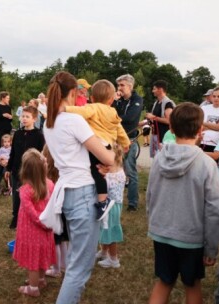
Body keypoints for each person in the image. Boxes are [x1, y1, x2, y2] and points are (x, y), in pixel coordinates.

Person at [42, 71, 114, 304]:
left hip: (68, 192)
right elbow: (107, 157)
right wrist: (108, 153)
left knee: (76, 260)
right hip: (82, 192)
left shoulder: (49, 122)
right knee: (79, 269)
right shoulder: (73, 120)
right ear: (73, 93)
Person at [146, 102, 219, 304]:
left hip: (162, 233)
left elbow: (150, 195)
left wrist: (153, 223)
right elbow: (215, 210)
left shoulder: (160, 158)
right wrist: (211, 247)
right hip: (191, 238)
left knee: (164, 282)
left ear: (170, 127)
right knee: (192, 284)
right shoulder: (207, 164)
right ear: (200, 130)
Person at [65, 79, 130, 221]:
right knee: (100, 172)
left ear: (92, 98)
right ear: (112, 99)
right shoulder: (113, 112)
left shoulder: (93, 107)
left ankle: (102, 202)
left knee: (94, 171)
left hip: (96, 145)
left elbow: (79, 110)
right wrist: (126, 143)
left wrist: (63, 109)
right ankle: (102, 199)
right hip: (108, 147)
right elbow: (120, 130)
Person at [13, 149, 56, 297]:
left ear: (25, 171)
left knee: (33, 262)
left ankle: (33, 288)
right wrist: (48, 224)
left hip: (31, 232)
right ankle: (41, 279)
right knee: (42, 257)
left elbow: (32, 214)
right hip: (47, 231)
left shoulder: (25, 191)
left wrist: (42, 223)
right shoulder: (50, 184)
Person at [4, 106, 45, 229]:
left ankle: (29, 217)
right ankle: (16, 217)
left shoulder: (39, 135)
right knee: (17, 195)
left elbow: (41, 155)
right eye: (23, 116)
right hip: (17, 170)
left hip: (31, 171)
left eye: (27, 117)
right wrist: (8, 168)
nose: (24, 119)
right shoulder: (17, 133)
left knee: (29, 195)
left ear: (34, 119)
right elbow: (13, 152)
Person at [113, 74, 144, 211]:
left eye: (122, 85)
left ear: (130, 86)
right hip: (116, 139)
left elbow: (130, 118)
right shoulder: (118, 100)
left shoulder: (137, 99)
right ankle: (114, 198)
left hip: (129, 139)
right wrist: (114, 102)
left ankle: (132, 203)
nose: (119, 88)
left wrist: (114, 117)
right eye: (118, 85)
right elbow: (110, 112)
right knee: (114, 169)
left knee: (130, 171)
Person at [96, 145, 126, 269]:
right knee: (105, 228)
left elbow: (104, 188)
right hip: (116, 204)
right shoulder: (119, 168)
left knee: (110, 231)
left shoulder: (110, 173)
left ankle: (114, 259)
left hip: (110, 206)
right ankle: (103, 252)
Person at [42, 145, 68, 279]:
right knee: (62, 238)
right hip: (64, 209)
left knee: (55, 241)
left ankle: (56, 269)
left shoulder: (47, 180)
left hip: (54, 211)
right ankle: (65, 265)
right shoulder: (64, 169)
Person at [145, 80, 175, 157]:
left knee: (162, 157)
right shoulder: (156, 103)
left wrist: (154, 117)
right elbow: (153, 118)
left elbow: (169, 121)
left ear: (160, 89)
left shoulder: (168, 103)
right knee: (155, 157)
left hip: (164, 136)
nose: (152, 91)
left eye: (154, 89)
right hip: (155, 134)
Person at [200, 86, 219, 152]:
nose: (216, 98)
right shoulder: (204, 108)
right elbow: (198, 125)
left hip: (217, 145)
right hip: (201, 141)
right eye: (214, 96)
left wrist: (204, 123)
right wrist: (215, 126)